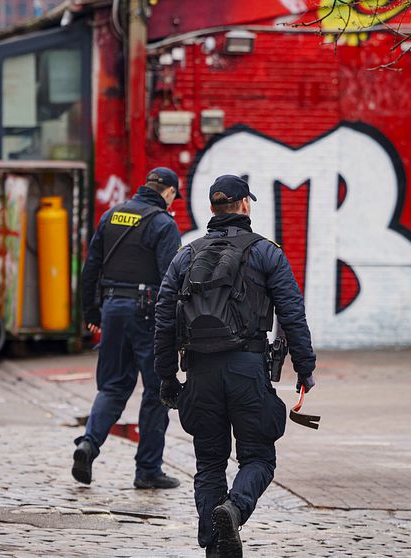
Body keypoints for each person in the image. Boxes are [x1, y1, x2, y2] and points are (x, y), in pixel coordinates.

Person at [154, 175, 317, 557]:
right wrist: (305, 368)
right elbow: (292, 312)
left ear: (212, 208)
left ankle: (216, 546)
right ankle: (235, 508)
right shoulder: (266, 252)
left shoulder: (186, 254)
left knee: (209, 463)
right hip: (248, 368)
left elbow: (163, 318)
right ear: (245, 205)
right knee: (258, 457)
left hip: (200, 372)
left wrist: (166, 377)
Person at [73, 167, 182, 490]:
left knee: (113, 386)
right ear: (169, 192)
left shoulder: (112, 215)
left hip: (112, 309)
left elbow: (90, 266)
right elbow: (169, 281)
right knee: (156, 390)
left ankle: (89, 445)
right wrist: (173, 327)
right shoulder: (163, 224)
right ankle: (148, 470)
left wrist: (91, 311)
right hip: (146, 313)